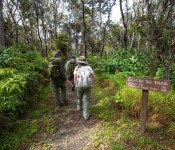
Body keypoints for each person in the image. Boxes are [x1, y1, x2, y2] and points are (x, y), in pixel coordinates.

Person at [73, 56, 95, 120]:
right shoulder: (89, 68)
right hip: (88, 86)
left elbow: (75, 77)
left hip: (79, 86)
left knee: (79, 96)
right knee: (86, 100)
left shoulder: (77, 68)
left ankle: (79, 107)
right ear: (85, 62)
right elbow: (93, 76)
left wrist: (76, 84)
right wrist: (89, 76)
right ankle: (86, 115)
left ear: (79, 62)